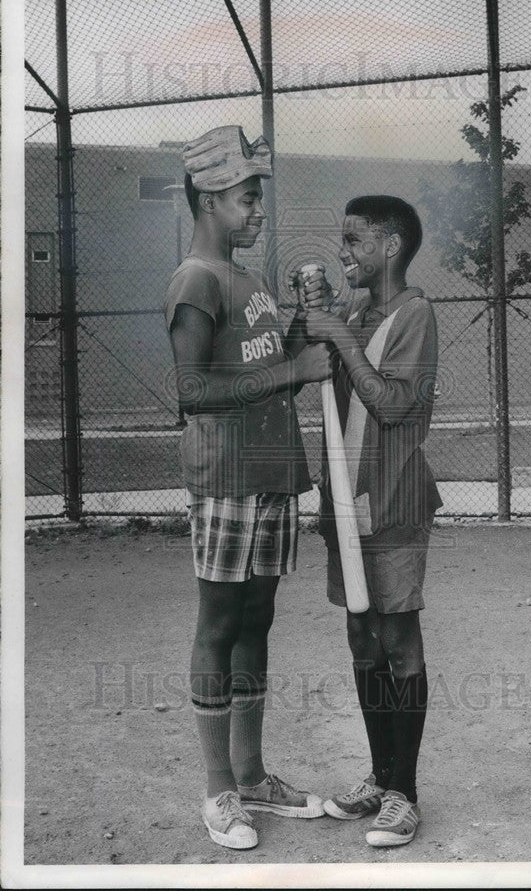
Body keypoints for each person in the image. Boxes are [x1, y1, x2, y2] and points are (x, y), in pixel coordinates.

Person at [164, 125, 331, 850]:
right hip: (225, 478)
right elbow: (195, 391)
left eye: (258, 196)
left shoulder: (250, 278)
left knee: (257, 621)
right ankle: (217, 791)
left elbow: (263, 369)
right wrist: (295, 371)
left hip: (268, 473)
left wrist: (300, 332)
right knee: (220, 624)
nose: (259, 211)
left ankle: (254, 775)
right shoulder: (195, 279)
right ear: (208, 197)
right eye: (246, 197)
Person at [302, 194, 443, 848]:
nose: (344, 252)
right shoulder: (357, 310)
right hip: (347, 505)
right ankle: (382, 777)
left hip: (394, 505)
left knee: (397, 639)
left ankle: (405, 796)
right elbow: (337, 388)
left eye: (354, 240)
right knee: (362, 639)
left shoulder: (415, 313)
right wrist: (324, 327)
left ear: (390, 246)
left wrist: (340, 339)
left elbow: (390, 405)